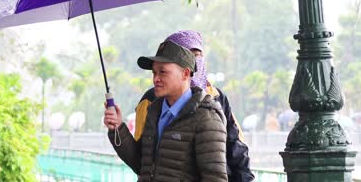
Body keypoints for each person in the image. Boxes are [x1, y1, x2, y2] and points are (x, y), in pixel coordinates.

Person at [134, 30, 255, 182]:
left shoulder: (215, 97)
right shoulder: (151, 101)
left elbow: (236, 148)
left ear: (185, 72)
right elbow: (141, 157)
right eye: (188, 53)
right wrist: (116, 130)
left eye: (197, 54)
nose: (194, 59)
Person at [104, 40, 228, 181]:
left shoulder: (206, 117)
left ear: (186, 74)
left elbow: (215, 178)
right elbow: (141, 164)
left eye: (163, 72)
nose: (156, 79)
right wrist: (117, 128)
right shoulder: (154, 111)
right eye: (154, 73)